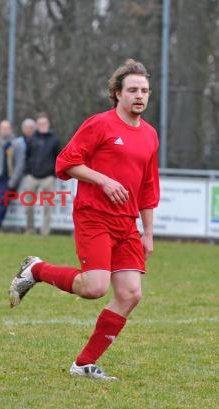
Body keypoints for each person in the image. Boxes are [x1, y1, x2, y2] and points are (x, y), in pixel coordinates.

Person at [9, 59, 160, 381]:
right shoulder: (100, 125)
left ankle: (83, 364)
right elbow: (65, 162)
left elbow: (148, 187)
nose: (140, 96)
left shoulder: (149, 135)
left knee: (131, 294)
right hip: (94, 216)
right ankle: (36, 269)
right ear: (117, 93)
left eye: (145, 90)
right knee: (94, 288)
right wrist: (102, 180)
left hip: (127, 224)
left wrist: (148, 232)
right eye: (133, 90)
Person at [19, 112, 61, 235]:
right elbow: (27, 156)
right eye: (40, 123)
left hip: (48, 177)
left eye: (44, 123)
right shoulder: (32, 139)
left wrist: (54, 174)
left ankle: (45, 231)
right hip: (32, 176)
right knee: (29, 205)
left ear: (48, 124)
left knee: (48, 206)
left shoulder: (54, 140)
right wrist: (27, 172)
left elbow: (58, 158)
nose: (42, 125)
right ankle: (29, 229)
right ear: (37, 125)